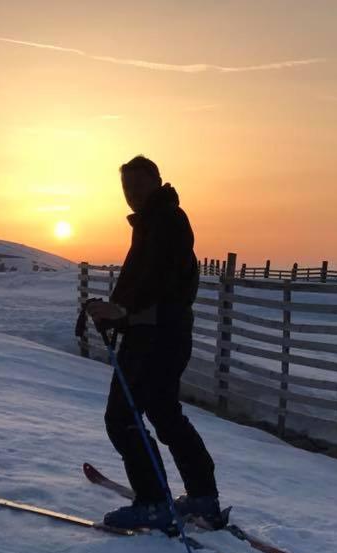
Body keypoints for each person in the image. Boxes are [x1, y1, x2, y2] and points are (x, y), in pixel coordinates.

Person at [87, 155, 221, 532]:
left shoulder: (166, 221)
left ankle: (153, 502)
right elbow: (144, 279)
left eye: (139, 186)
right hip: (162, 333)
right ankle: (202, 497)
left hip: (155, 335)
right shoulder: (153, 222)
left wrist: (122, 310)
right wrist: (115, 310)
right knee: (164, 413)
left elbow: (159, 279)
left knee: (122, 417)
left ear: (157, 182)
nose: (131, 194)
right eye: (127, 188)